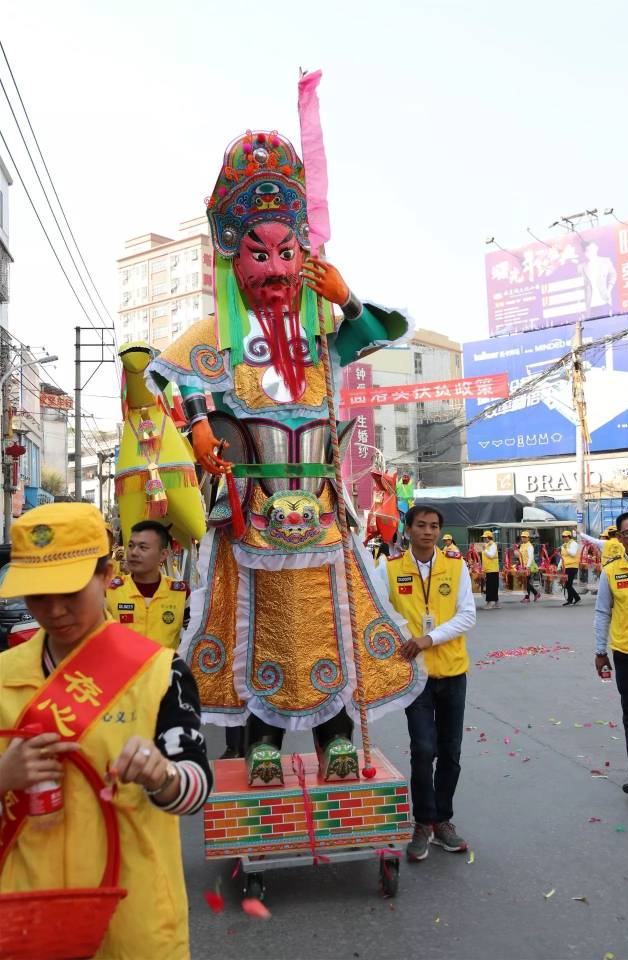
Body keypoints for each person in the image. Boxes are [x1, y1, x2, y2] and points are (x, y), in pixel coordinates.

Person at [146, 127, 424, 787]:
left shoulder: (323, 336)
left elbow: (379, 330)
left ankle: (335, 739)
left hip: (324, 524)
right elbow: (171, 381)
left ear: (307, 255)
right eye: (258, 253)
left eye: (288, 252)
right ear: (231, 259)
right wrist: (199, 427)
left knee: (330, 626)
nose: (274, 269)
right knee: (261, 629)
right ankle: (264, 741)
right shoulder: (214, 338)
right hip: (254, 523)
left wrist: (346, 298)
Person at [0, 503, 212, 959]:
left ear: (105, 575)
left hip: (131, 914)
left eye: (70, 592)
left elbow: (196, 788)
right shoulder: (3, 675)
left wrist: (163, 776)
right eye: (37, 596)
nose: (54, 611)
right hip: (27, 913)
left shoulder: (160, 672)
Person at [377, 505, 476, 861]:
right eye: (421, 525)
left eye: (434, 526)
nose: (428, 532)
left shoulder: (456, 565)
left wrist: (428, 638)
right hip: (414, 678)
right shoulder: (387, 569)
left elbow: (467, 615)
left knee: (450, 751)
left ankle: (443, 822)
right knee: (422, 750)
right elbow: (375, 614)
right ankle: (423, 821)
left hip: (452, 672)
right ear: (408, 529)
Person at [593, 511, 628, 796]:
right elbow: (602, 612)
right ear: (619, 538)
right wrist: (600, 651)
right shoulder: (611, 571)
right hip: (626, 656)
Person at [106, 520, 190, 651]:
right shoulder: (110, 591)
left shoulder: (181, 593)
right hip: (124, 671)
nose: (133, 552)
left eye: (143, 547)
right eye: (131, 545)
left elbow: (194, 638)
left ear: (162, 555)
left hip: (165, 670)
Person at [577, 241, 616, 320]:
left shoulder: (605, 261)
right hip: (590, 303)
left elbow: (613, 274)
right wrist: (581, 307)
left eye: (592, 249)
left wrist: (609, 290)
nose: (590, 252)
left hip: (604, 300)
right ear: (585, 253)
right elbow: (580, 286)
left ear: (596, 248)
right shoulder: (582, 267)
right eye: (588, 250)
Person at [518, 531, 540, 603]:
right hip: (523, 566)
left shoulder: (530, 546)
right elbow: (520, 555)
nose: (523, 538)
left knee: (526, 582)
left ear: (528, 538)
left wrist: (527, 566)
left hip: (528, 566)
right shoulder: (522, 545)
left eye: (525, 537)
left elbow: (530, 557)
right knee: (526, 582)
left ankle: (528, 597)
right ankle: (535, 594)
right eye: (522, 537)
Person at [560, 530, 581, 606]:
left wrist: (566, 548)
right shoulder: (564, 545)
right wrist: (559, 566)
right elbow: (562, 556)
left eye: (566, 536)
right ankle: (572, 599)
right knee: (568, 584)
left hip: (572, 566)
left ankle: (575, 598)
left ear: (569, 537)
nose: (564, 538)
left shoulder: (573, 543)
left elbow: (573, 553)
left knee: (568, 584)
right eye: (563, 536)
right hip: (565, 566)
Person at [481, 531, 500, 608]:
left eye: (485, 537)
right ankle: (496, 602)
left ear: (489, 537)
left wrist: (484, 550)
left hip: (492, 569)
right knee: (492, 586)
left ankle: (491, 603)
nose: (484, 539)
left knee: (491, 586)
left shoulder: (493, 545)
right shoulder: (487, 545)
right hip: (488, 569)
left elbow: (491, 555)